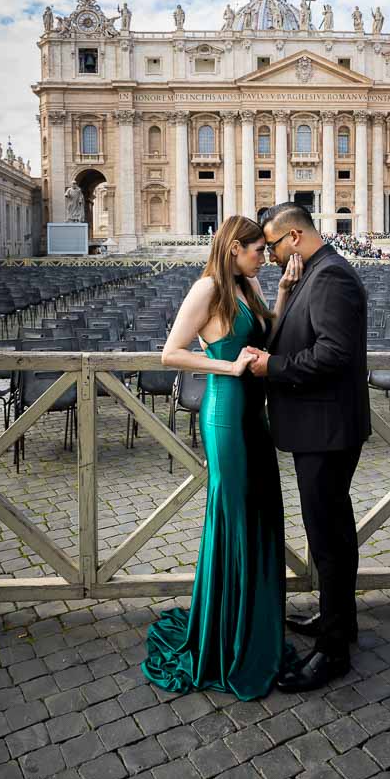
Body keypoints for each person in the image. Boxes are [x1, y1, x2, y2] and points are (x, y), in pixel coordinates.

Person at [141, 215, 301, 700]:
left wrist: (283, 295)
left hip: (254, 414)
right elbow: (171, 353)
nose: (264, 258)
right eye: (257, 251)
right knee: (234, 516)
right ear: (235, 248)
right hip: (226, 415)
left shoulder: (246, 288)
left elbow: (266, 338)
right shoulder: (208, 287)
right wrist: (227, 366)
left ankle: (250, 623)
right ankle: (226, 636)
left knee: (260, 515)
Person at [247, 202, 370, 692]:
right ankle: (340, 622)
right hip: (320, 427)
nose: (271, 254)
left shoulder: (331, 277)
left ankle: (333, 652)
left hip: (327, 430)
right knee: (332, 533)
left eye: (273, 245)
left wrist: (270, 369)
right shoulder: (312, 275)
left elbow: (334, 354)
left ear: (294, 237)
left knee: (329, 538)